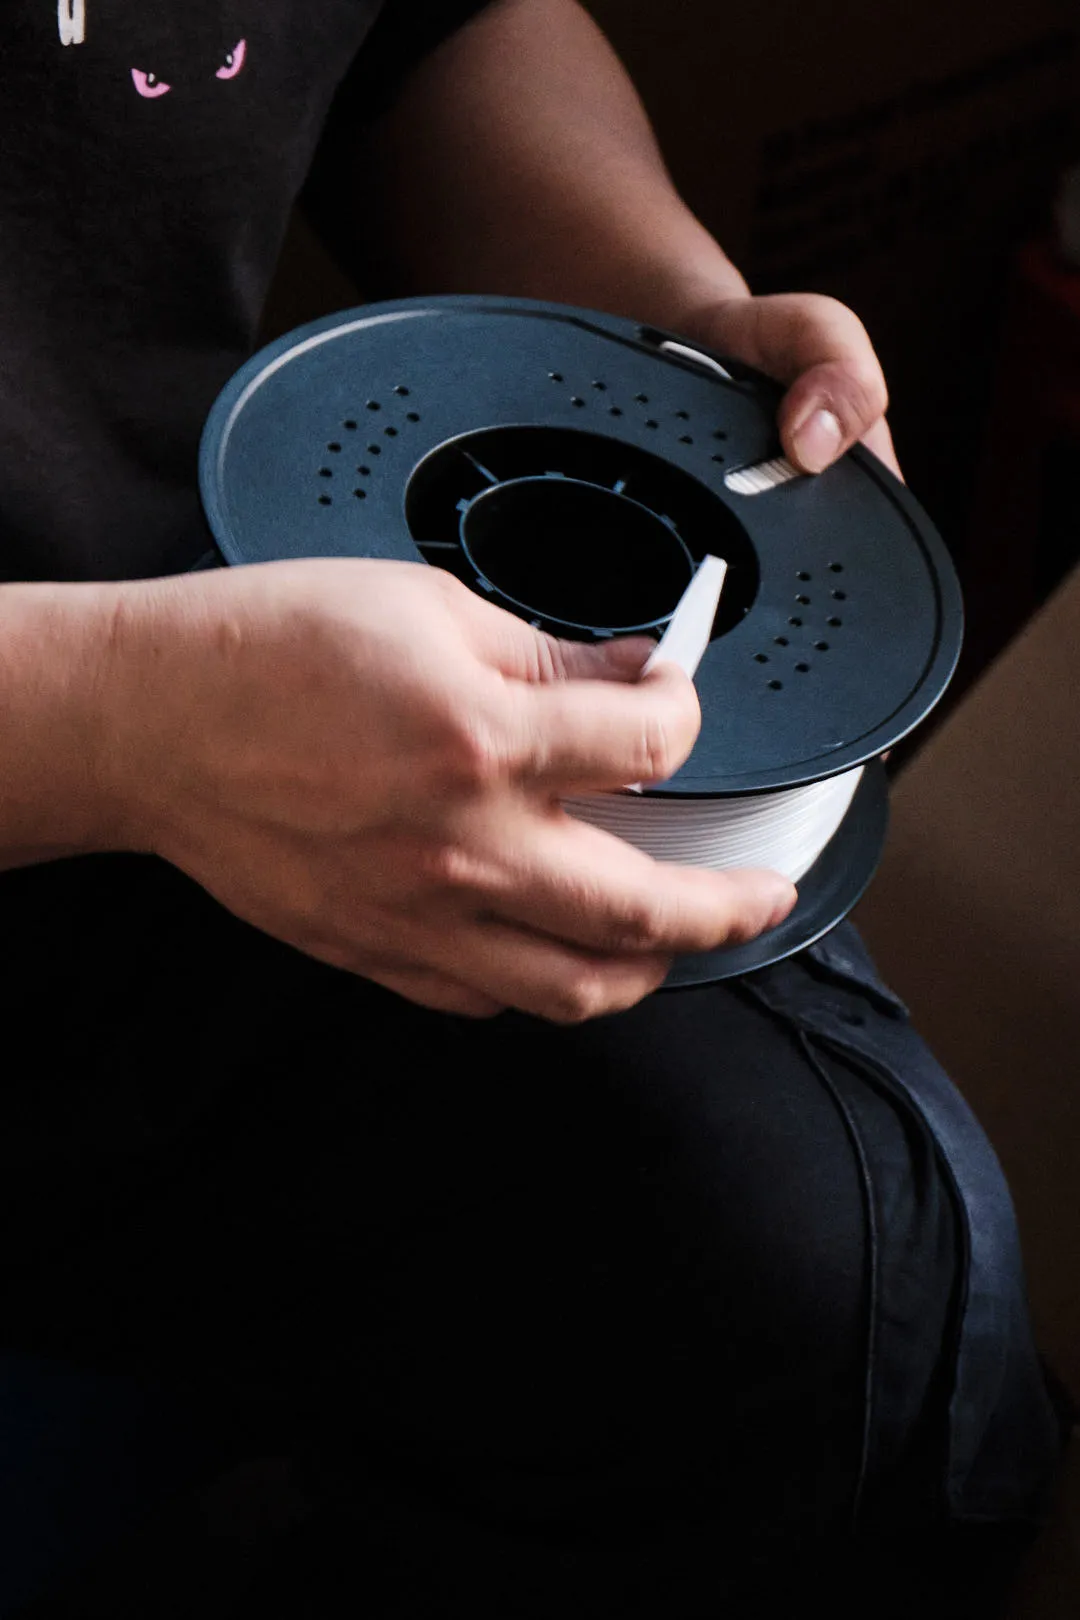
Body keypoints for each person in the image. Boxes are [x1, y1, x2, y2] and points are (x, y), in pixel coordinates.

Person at [0, 2, 1065, 1613]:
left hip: (225, 665)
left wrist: (672, 329)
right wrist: (115, 724)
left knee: (853, 1329)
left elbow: (417, 29)